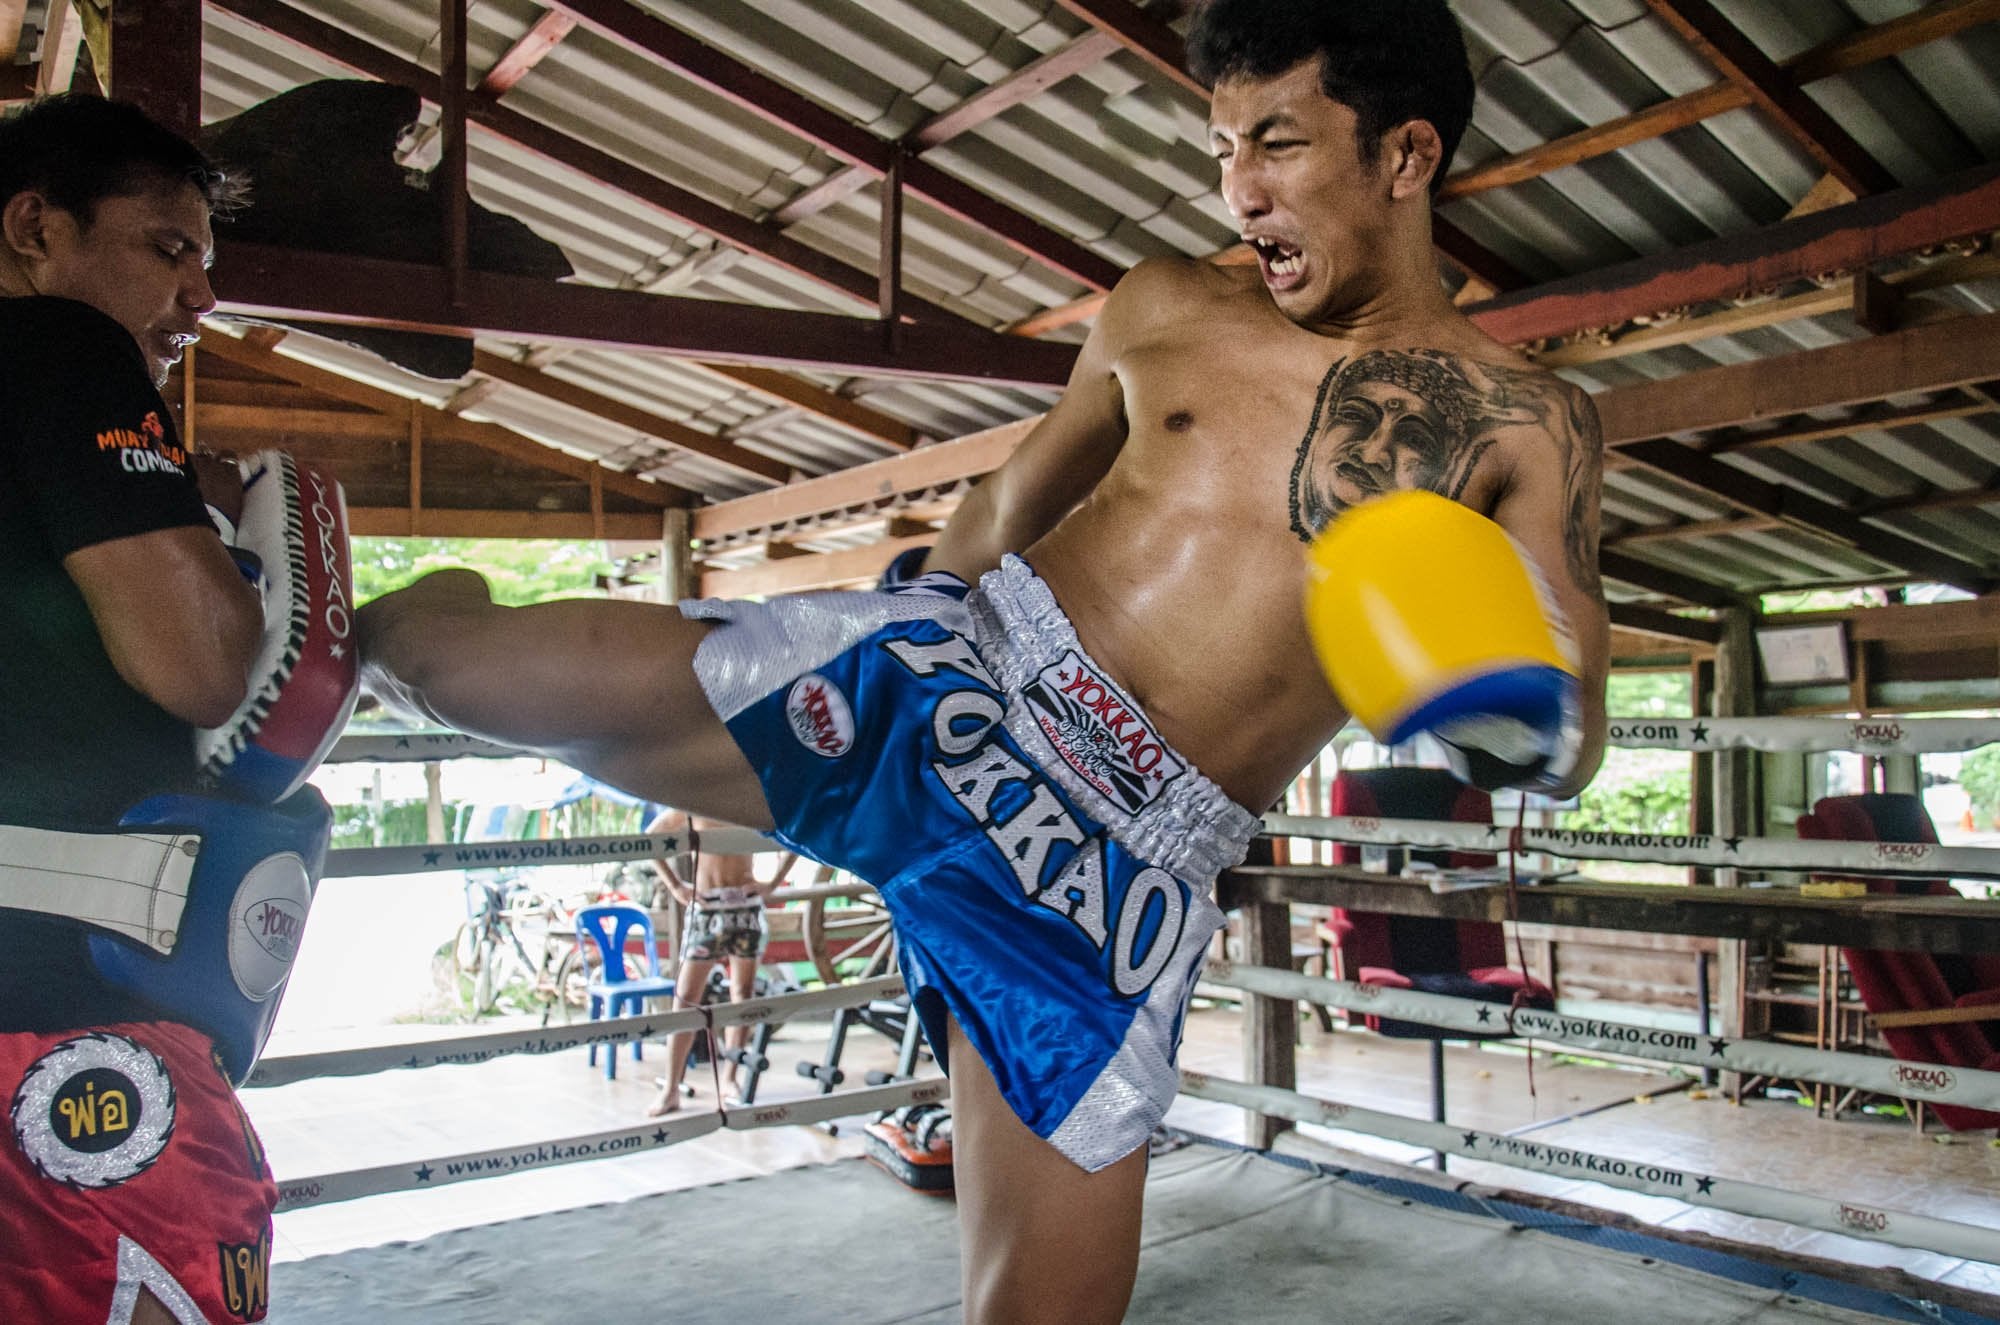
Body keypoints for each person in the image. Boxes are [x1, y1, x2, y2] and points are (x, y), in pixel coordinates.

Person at [357, 3, 1608, 1320]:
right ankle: (299, 622)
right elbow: (1008, 506)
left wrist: (1496, 691)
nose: (1240, 189)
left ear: (1406, 156)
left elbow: (1567, 733)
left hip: (1111, 881)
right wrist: (896, 641)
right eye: (1223, 147)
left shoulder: (1529, 423)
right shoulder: (1167, 304)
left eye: (1278, 145)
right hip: (957, 684)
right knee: (462, 670)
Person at [1, 95, 350, 1324]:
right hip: (63, 1040)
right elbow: (203, 665)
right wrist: (235, 558)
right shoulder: (54, 348)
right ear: (35, 227)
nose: (200, 295)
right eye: (169, 247)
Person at [642, 808, 790, 1114]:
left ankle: (730, 1078)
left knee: (742, 995)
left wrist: (773, 882)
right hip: (707, 908)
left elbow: (797, 831)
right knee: (685, 1000)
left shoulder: (751, 801)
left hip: (746, 906)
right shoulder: (694, 802)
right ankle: (671, 1088)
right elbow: (650, 837)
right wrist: (674, 886)